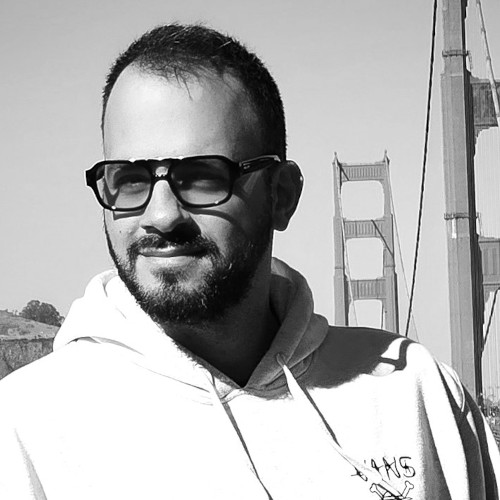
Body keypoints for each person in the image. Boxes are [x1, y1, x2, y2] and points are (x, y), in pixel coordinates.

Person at [0, 23, 499, 500]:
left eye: (202, 176)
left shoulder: (418, 398)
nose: (161, 215)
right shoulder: (24, 432)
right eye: (129, 179)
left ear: (281, 196)